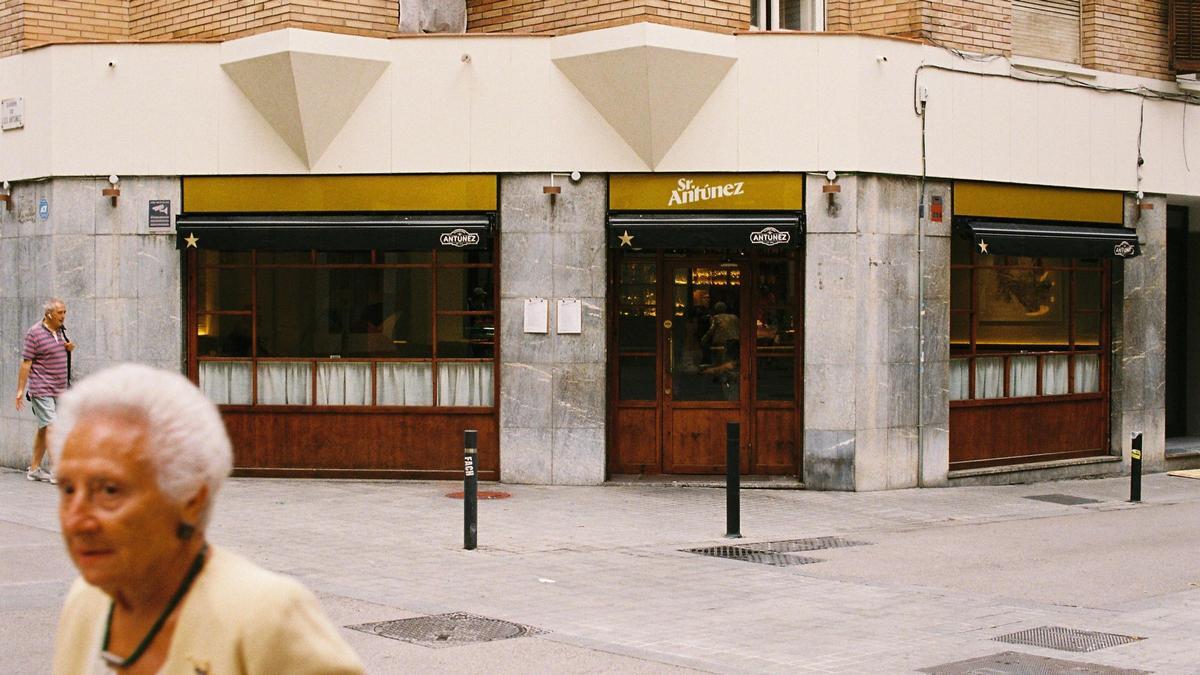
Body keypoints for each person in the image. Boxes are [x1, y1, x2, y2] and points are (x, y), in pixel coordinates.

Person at [49, 363, 364, 675]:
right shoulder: (86, 602)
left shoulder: (265, 616)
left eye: (109, 490)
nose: (76, 522)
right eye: (68, 488)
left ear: (190, 499)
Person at [14, 298, 74, 484]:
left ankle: (34, 470)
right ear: (49, 314)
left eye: (64, 312)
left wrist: (68, 348)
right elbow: (26, 363)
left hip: (59, 388)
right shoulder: (34, 333)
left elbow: (56, 353)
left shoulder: (60, 331)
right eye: (60, 313)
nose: (63, 316)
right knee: (53, 427)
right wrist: (20, 390)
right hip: (41, 388)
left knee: (44, 428)